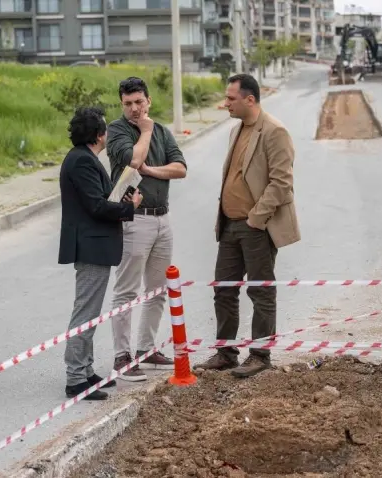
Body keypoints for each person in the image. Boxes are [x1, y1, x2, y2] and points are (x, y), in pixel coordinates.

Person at [195, 73, 300, 379]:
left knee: (261, 291)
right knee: (224, 290)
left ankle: (260, 355)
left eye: (230, 98)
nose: (225, 103)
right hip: (229, 226)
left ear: (249, 99)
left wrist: (257, 217)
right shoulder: (236, 130)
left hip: (256, 227)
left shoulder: (274, 131)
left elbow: (282, 183)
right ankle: (226, 353)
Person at [106, 77, 188, 381]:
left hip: (162, 218)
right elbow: (133, 159)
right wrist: (145, 130)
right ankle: (122, 358)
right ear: (122, 105)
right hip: (132, 219)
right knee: (126, 291)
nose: (134, 108)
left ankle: (145, 348)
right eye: (128, 103)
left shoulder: (163, 132)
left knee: (157, 291)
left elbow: (180, 168)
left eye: (139, 102)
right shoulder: (117, 131)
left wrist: (151, 171)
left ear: (148, 101)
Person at [58, 106, 142, 400]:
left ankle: (86, 370)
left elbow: (100, 199)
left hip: (96, 245)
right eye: (104, 130)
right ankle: (75, 379)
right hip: (91, 246)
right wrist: (129, 208)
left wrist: (122, 198)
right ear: (98, 135)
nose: (107, 135)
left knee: (91, 313)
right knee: (86, 312)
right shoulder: (81, 161)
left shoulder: (84, 159)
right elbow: (96, 206)